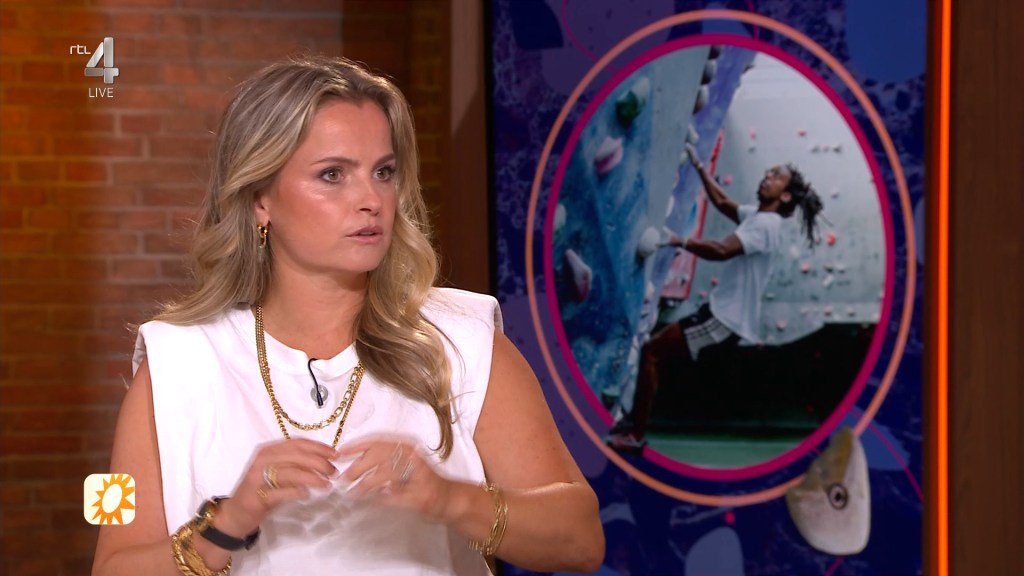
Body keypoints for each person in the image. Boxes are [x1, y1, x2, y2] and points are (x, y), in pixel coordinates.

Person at [93, 55, 604, 575]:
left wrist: (450, 499)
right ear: (259, 198)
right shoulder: (171, 362)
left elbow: (582, 537)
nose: (371, 200)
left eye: (383, 172)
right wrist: (229, 521)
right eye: (332, 175)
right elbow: (111, 565)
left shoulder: (464, 340)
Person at [607, 143, 823, 453]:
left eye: (776, 176)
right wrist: (699, 166)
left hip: (725, 320)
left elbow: (722, 250)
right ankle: (632, 424)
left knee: (653, 352)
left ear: (785, 196)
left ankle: (635, 434)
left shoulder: (766, 225)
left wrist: (678, 240)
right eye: (770, 171)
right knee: (654, 352)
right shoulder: (758, 217)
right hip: (722, 315)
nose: (768, 175)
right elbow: (722, 201)